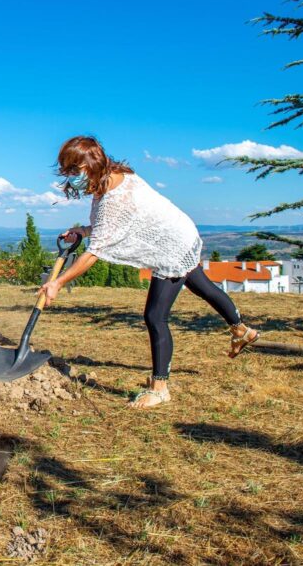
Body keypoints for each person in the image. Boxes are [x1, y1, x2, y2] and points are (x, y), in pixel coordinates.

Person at [39, 136, 261, 409]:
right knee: (202, 286)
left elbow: (93, 253)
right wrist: (82, 231)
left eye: (76, 171)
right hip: (179, 231)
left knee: (155, 315)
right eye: (68, 172)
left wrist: (58, 283)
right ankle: (243, 331)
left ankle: (159, 388)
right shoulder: (111, 177)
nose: (72, 178)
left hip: (171, 245)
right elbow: (105, 226)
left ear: (93, 164)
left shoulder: (113, 197)